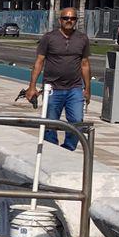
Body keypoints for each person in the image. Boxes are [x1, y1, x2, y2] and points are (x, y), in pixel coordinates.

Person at [24, 8, 91, 151]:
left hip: (75, 88)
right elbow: (39, 61)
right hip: (53, 89)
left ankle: (68, 149)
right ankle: (52, 150)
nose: (69, 21)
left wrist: (87, 89)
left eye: (72, 18)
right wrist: (32, 87)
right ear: (60, 20)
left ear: (76, 21)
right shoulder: (49, 38)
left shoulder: (82, 39)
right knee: (50, 124)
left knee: (77, 122)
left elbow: (85, 64)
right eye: (66, 18)